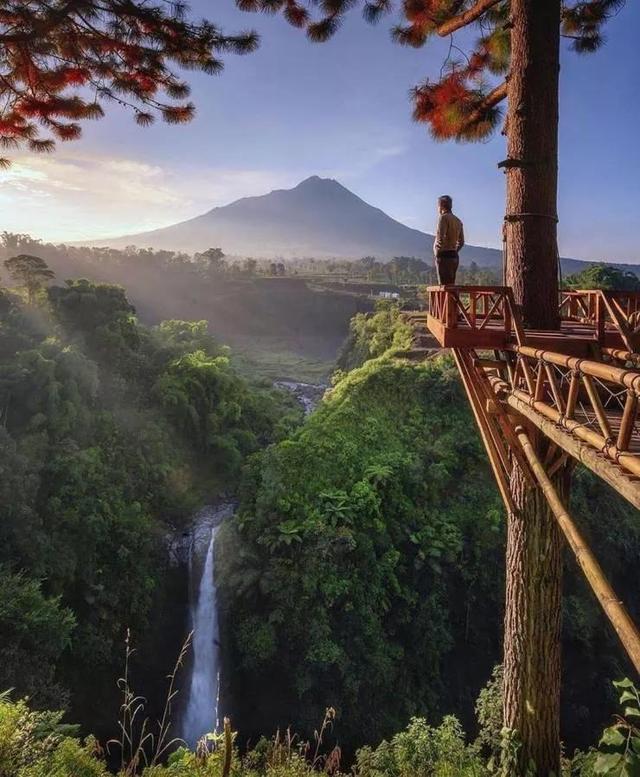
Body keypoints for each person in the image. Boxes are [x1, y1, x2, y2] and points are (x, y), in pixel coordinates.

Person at [433, 195, 464, 285]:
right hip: (454, 256)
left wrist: (437, 253)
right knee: (451, 286)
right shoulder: (458, 221)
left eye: (438, 206)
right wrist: (454, 250)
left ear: (441, 205)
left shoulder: (443, 218)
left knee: (443, 286)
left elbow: (440, 239)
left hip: (443, 256)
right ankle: (453, 299)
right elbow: (461, 242)